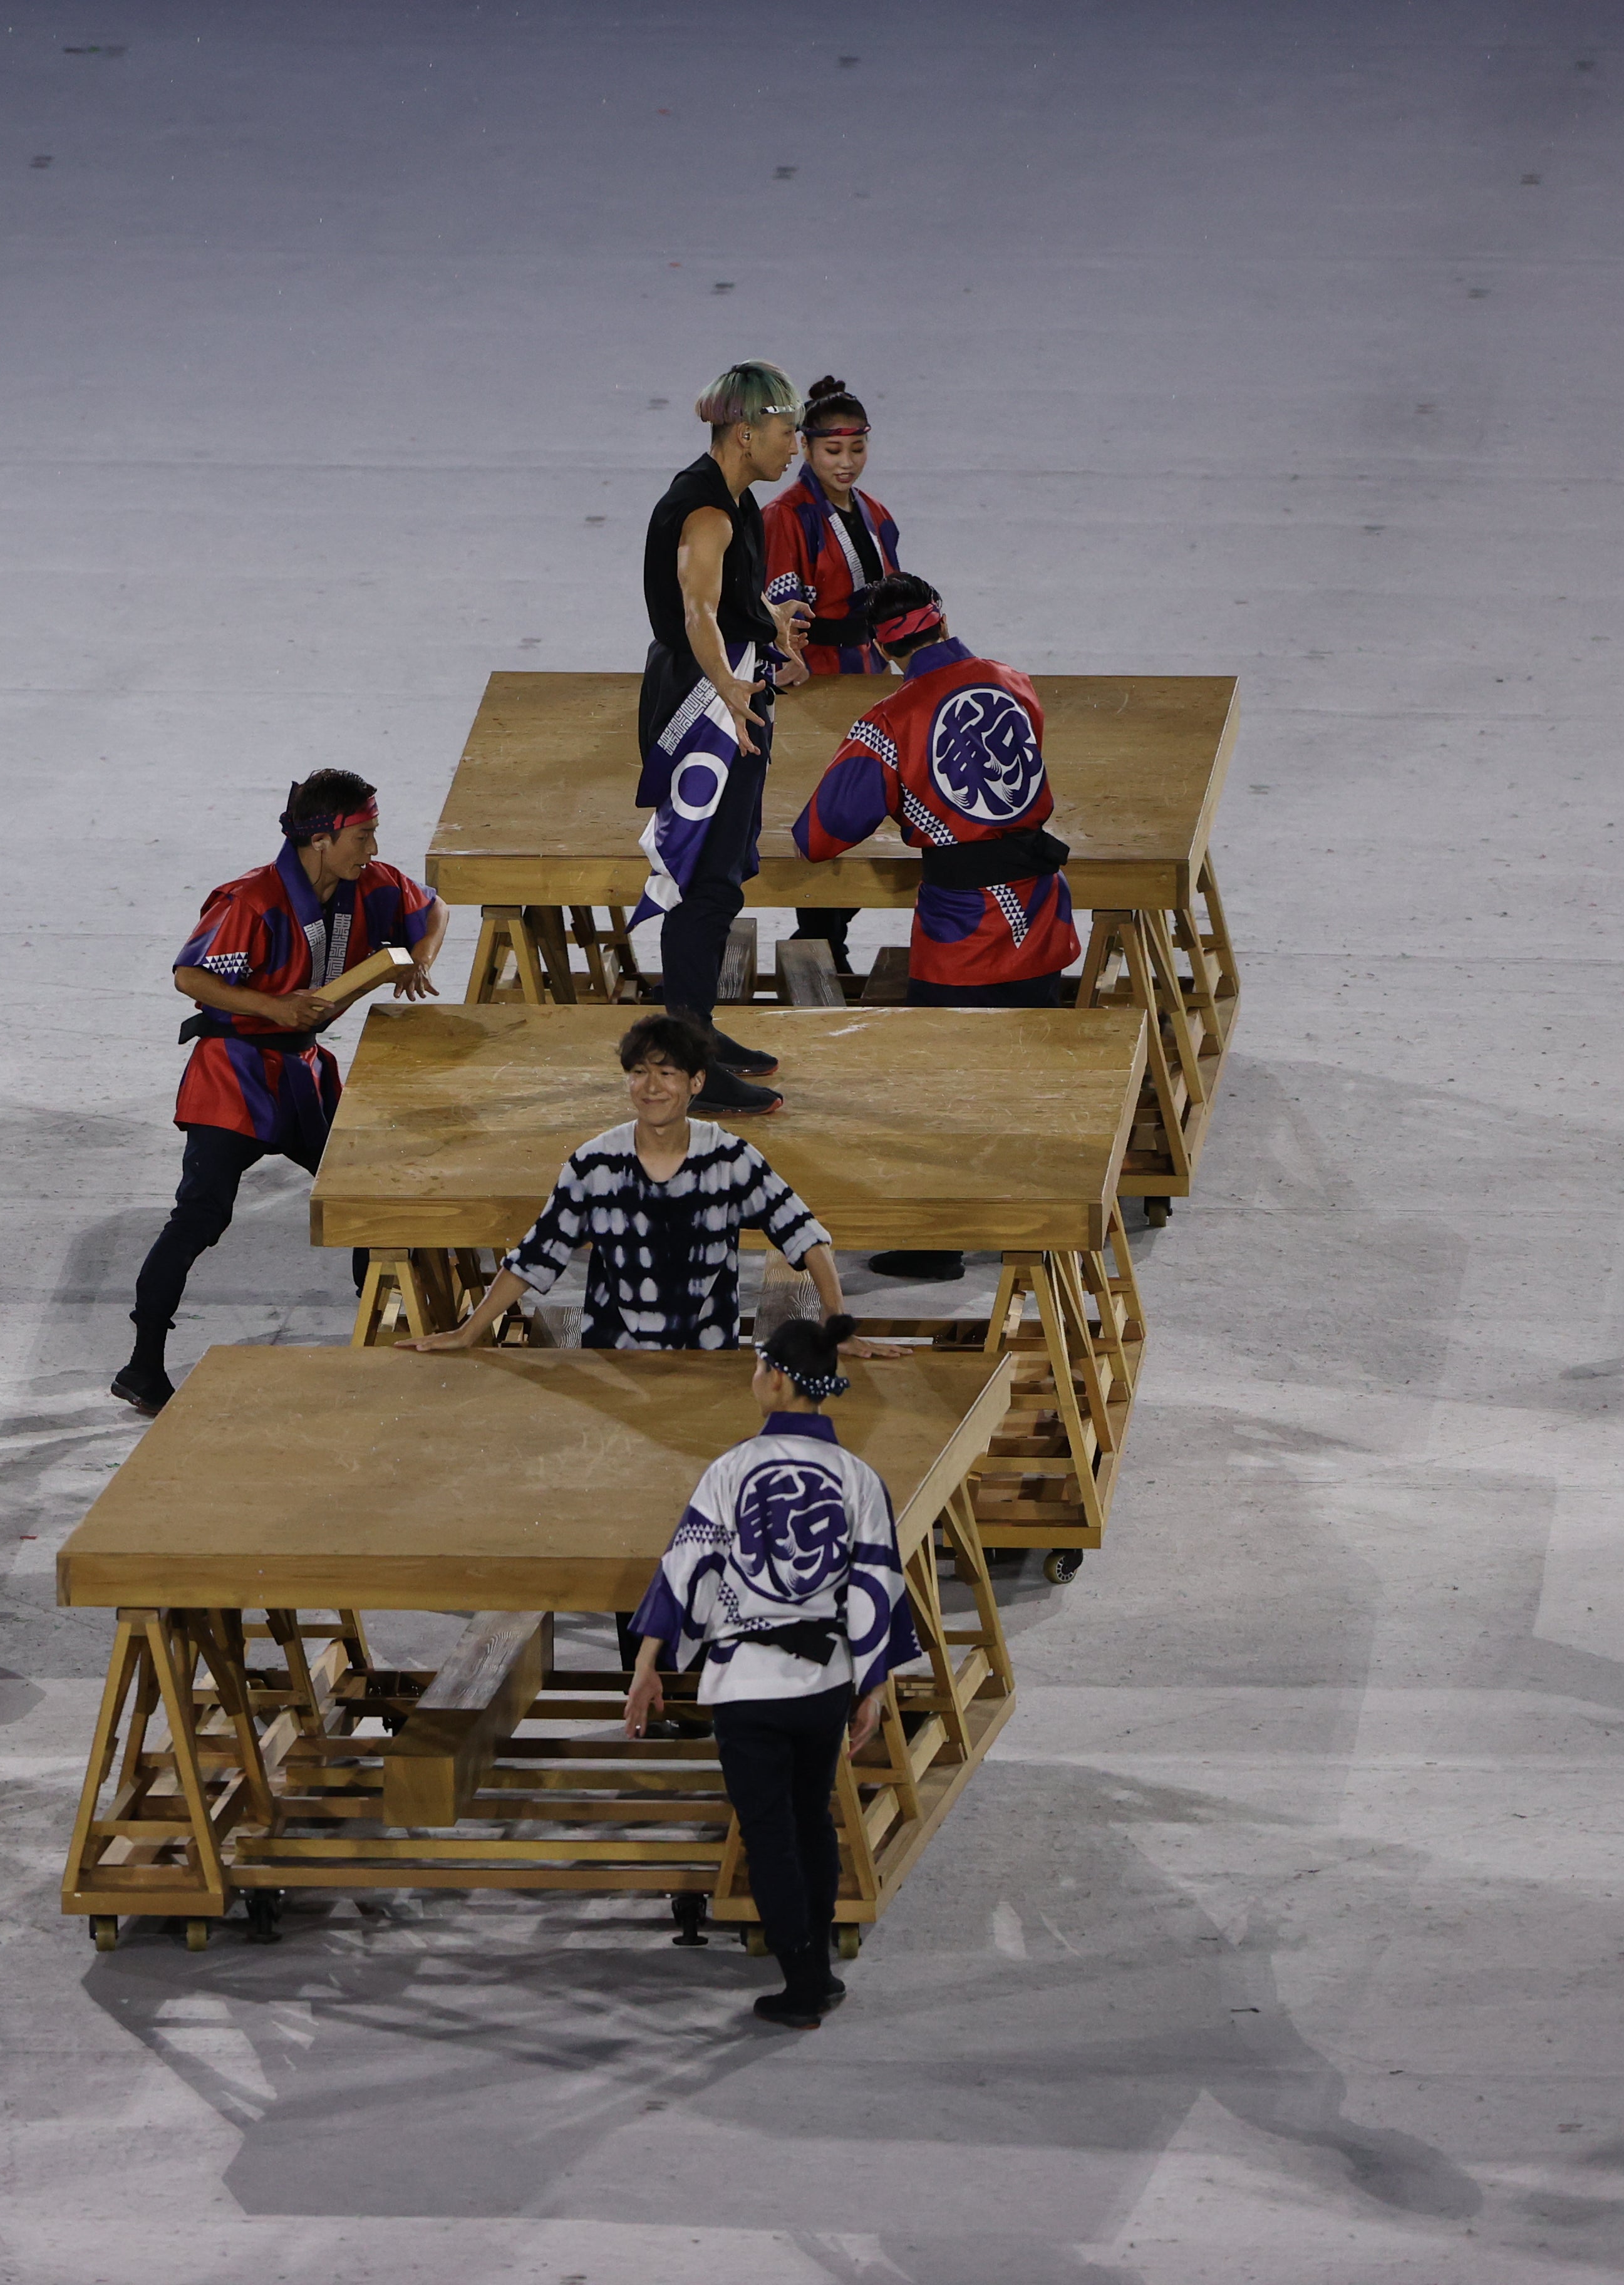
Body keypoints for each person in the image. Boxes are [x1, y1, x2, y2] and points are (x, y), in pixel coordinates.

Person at [119, 769, 448, 1416]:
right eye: (364, 836)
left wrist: (420, 960)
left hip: (305, 1073)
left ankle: (379, 1340)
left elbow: (430, 909)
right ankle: (142, 1364)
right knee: (199, 1217)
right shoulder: (251, 902)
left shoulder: (368, 886)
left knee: (364, 1194)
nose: (373, 850)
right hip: (235, 1072)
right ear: (322, 838)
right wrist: (269, 1008)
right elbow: (191, 976)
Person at [622, 1311, 918, 2029]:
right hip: (824, 1681)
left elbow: (683, 1570)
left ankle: (805, 1985)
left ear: (777, 1382)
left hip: (747, 1687)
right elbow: (878, 1582)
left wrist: (649, 1665)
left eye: (757, 1368)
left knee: (771, 1834)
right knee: (811, 1821)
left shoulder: (729, 1471)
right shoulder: (859, 1477)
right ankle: (815, 1968)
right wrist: (874, 1683)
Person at [790, 574, 1082, 1281]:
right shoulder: (1014, 682)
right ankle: (1042, 1222)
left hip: (966, 934)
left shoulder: (888, 724)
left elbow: (819, 835)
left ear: (880, 649)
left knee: (943, 1091)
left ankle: (939, 1238)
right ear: (942, 618)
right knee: (1029, 1076)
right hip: (1041, 909)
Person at [399, 1013, 862, 1355]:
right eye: (639, 1072)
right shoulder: (593, 1163)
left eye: (667, 1074)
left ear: (697, 1082)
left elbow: (806, 1235)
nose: (651, 1087)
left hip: (707, 1365)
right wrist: (468, 1332)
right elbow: (537, 1256)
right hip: (610, 1359)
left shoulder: (731, 1159)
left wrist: (837, 1324)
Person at [638, 362, 815, 1117]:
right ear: (746, 435)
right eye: (787, 434)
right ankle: (684, 1065)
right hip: (703, 714)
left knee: (723, 874)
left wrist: (769, 627)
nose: (796, 448)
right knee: (702, 883)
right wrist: (731, 689)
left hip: (729, 697)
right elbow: (696, 613)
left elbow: (729, 610)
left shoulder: (738, 499)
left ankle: (699, 1033)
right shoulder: (706, 512)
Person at [763, 377, 906, 972]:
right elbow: (780, 603)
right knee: (824, 809)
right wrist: (786, 657)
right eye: (832, 452)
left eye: (857, 450)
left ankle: (823, 939)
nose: (846, 463)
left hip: (869, 678)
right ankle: (819, 941)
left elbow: (899, 603)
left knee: (861, 810)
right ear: (805, 447)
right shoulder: (785, 517)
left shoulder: (876, 514)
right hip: (814, 684)